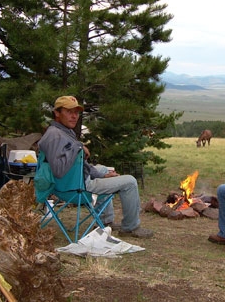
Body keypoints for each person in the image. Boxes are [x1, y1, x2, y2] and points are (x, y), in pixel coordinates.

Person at [38, 95, 154, 239]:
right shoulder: (55, 136)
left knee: (104, 169)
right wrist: (78, 147)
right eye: (69, 112)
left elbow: (78, 163)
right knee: (130, 181)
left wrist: (102, 175)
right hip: (73, 188)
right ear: (57, 113)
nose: (74, 116)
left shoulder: (63, 131)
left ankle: (105, 222)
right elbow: (59, 170)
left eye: (76, 112)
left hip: (73, 180)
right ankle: (130, 228)